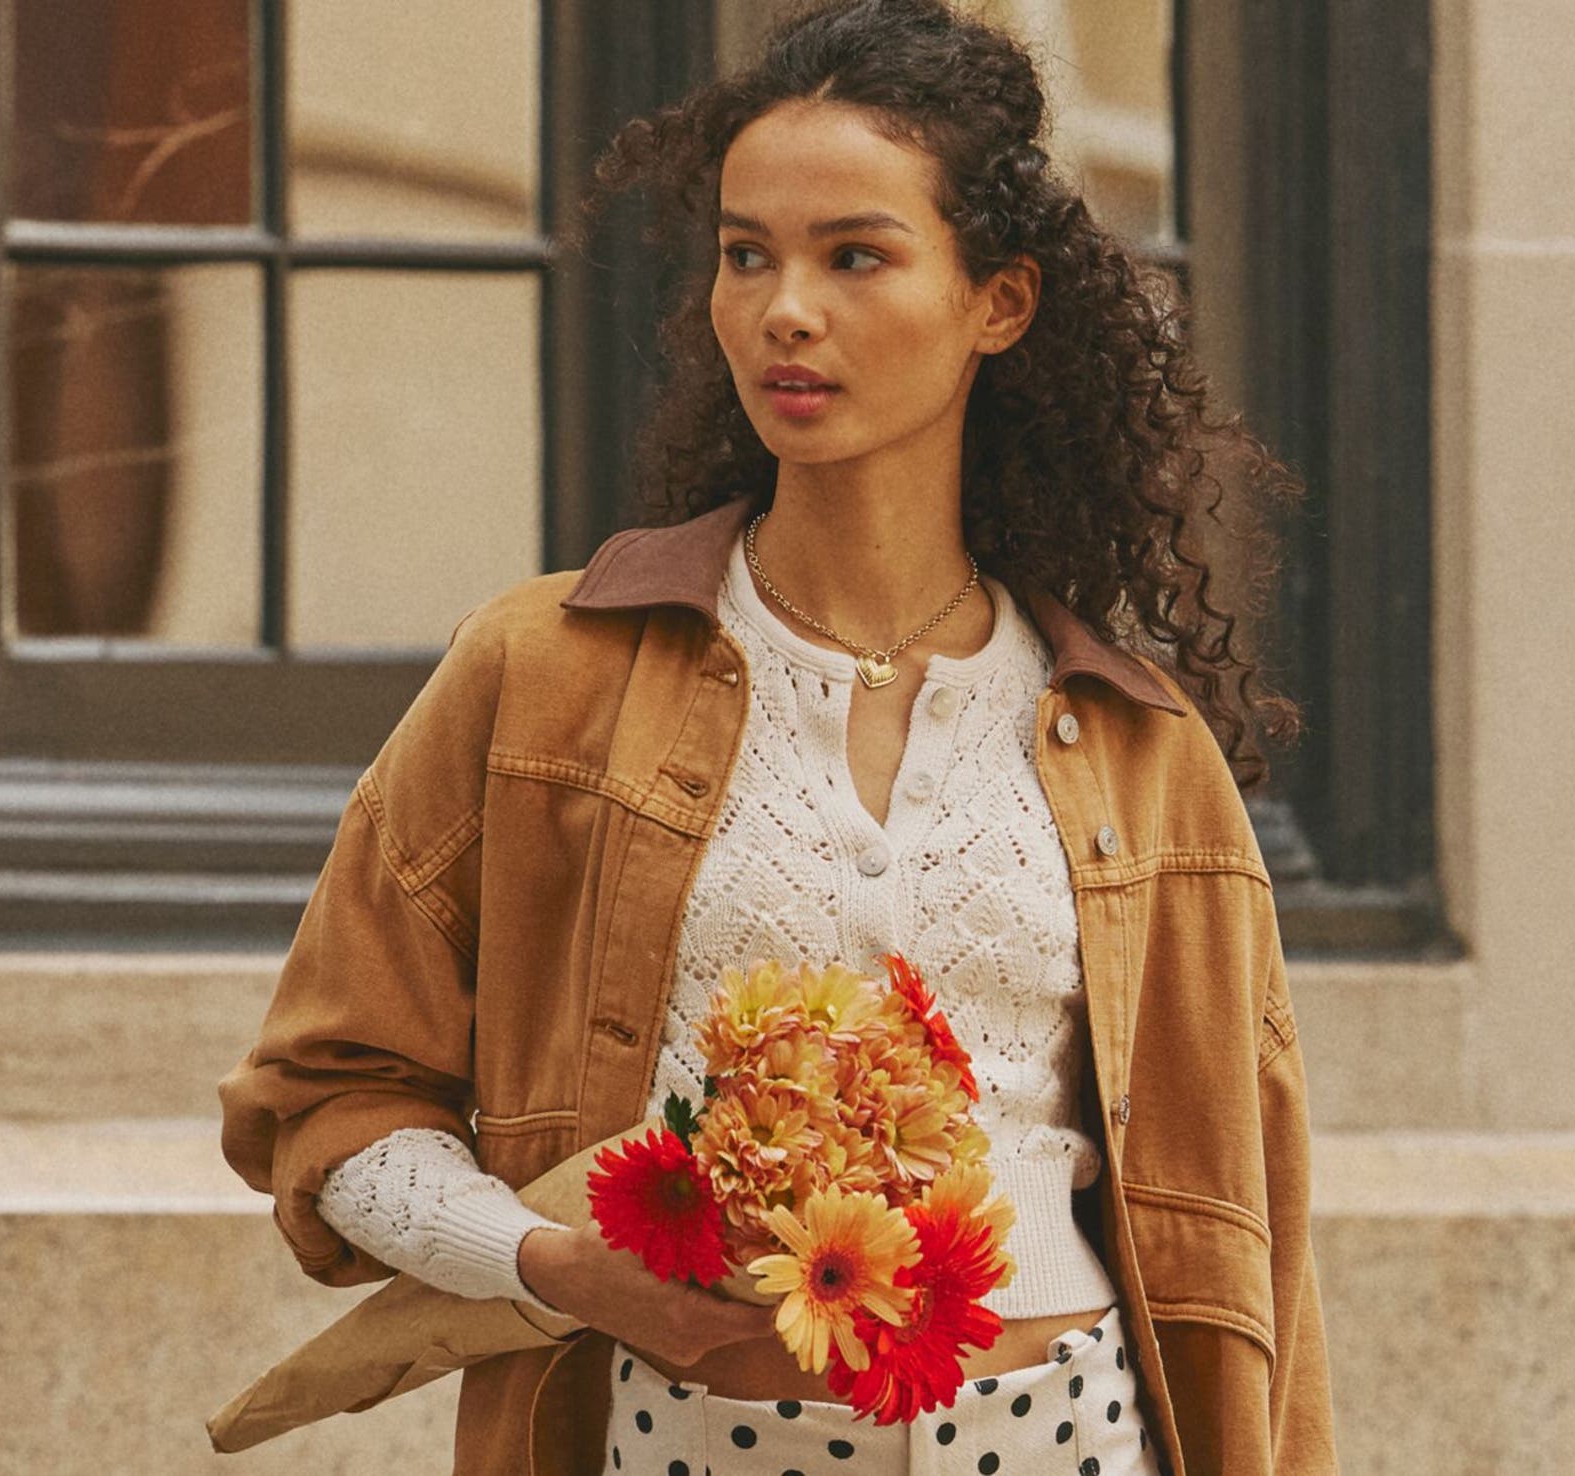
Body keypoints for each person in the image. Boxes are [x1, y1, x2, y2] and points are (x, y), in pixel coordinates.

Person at [219, 2, 1337, 1471]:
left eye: (854, 256)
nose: (783, 310)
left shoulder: (1140, 751)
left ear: (998, 303)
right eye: (747, 255)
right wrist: (555, 1266)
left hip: (1069, 1439)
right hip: (685, 1441)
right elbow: (328, 1100)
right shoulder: (544, 676)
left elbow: (1259, 1244)